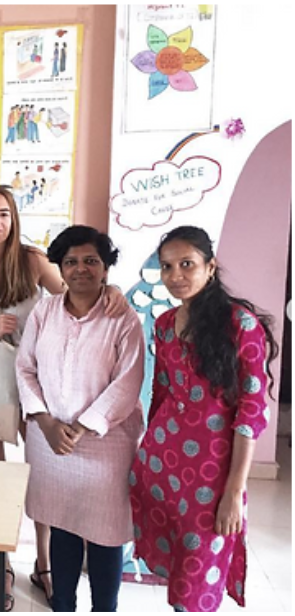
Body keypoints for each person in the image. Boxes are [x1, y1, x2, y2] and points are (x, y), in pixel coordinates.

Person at [0, 184, 126, 610]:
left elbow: (78, 294)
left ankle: (44, 563)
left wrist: (111, 290)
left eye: (4, 213)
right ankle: (2, 567)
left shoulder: (32, 260)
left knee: (44, 478)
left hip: (41, 383)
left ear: (14, 219)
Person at [130, 226, 279, 612]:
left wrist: (234, 491)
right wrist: (145, 456)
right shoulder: (164, 324)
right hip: (163, 464)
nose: (175, 275)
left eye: (187, 264)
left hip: (212, 475)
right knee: (178, 564)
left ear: (210, 267)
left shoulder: (240, 324)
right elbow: (161, 393)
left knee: (198, 577)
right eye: (166, 267)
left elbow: (251, 411)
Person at [16, 226, 145, 612]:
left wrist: (82, 426)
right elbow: (24, 368)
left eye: (91, 260)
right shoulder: (45, 311)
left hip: (106, 445)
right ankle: (63, 605)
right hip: (49, 441)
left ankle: (104, 608)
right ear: (60, 268)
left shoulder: (123, 318)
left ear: (105, 267)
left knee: (106, 533)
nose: (80, 269)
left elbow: (128, 382)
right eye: (71, 262)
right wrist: (46, 422)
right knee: (61, 525)